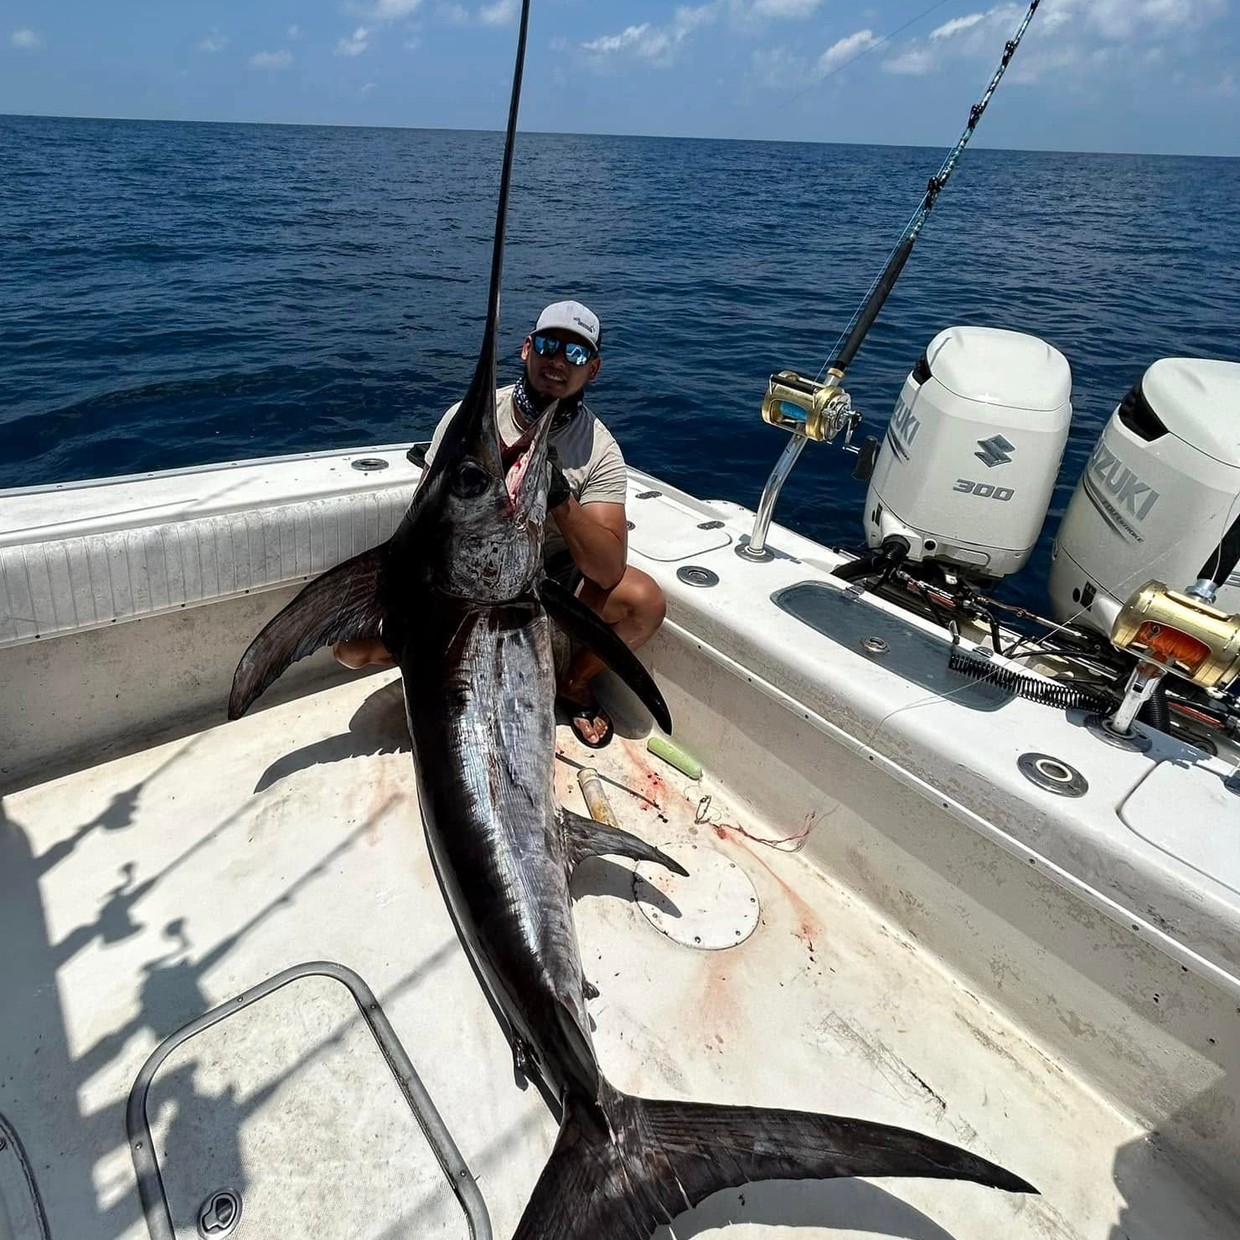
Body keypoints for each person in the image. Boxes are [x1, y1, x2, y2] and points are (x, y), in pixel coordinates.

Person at [334, 299, 665, 749]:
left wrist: (559, 498)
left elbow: (607, 571)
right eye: (549, 344)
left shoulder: (599, 449)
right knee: (351, 648)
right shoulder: (469, 418)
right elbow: (425, 524)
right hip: (466, 580)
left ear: (594, 370)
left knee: (642, 602)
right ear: (527, 348)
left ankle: (573, 684)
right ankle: (442, 665)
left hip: (546, 584)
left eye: (577, 354)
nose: (559, 361)